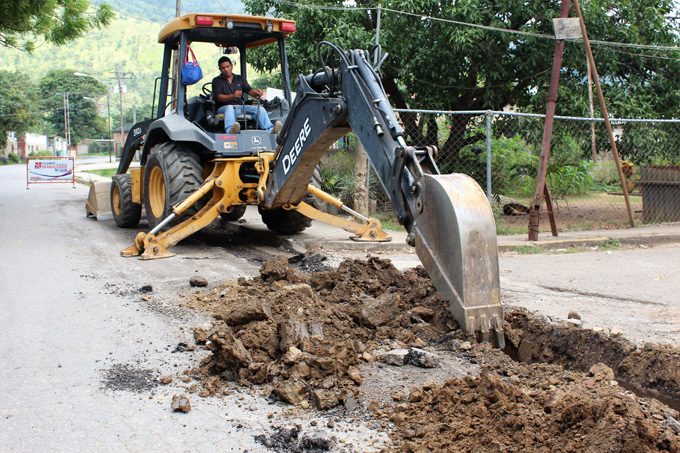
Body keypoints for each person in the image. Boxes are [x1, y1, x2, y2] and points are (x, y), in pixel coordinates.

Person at [212, 56, 282, 134]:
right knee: (230, 108)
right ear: (220, 69)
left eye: (227, 66)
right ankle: (230, 131)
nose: (226, 69)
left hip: (241, 107)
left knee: (260, 109)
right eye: (223, 68)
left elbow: (250, 91)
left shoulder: (239, 79)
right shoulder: (216, 81)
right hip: (224, 108)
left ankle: (270, 130)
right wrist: (232, 96)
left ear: (231, 66)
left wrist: (257, 93)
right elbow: (219, 98)